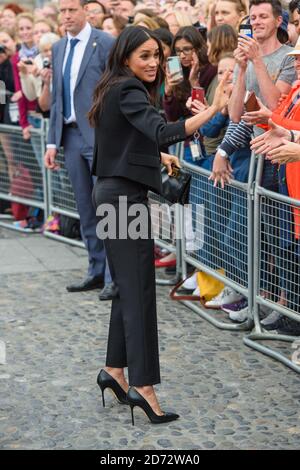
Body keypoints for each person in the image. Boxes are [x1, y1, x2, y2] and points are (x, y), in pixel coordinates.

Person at [89, 25, 230, 424]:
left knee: (128, 289)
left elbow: (121, 142)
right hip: (122, 200)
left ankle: (114, 371)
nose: (153, 63)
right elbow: (163, 131)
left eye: (157, 55)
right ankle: (144, 386)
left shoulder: (114, 86)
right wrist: (216, 107)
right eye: (145, 56)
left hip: (116, 194)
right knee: (139, 293)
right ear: (126, 57)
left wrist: (155, 159)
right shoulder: (128, 89)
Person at [44, 0, 115, 297]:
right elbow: (58, 98)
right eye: (62, 11)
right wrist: (51, 140)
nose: (67, 16)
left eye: (72, 9)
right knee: (85, 208)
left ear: (87, 11)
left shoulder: (106, 43)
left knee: (107, 205)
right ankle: (95, 270)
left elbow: (115, 87)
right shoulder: (59, 47)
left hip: (99, 135)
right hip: (70, 137)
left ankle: (115, 276)